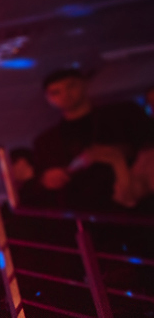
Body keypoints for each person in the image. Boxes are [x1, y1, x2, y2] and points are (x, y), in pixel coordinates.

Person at [14, 66, 154, 210]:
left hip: (133, 203)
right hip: (81, 210)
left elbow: (149, 143)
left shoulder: (123, 114)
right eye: (56, 92)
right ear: (48, 99)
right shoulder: (46, 141)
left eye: (71, 86)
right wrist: (46, 180)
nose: (65, 95)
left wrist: (121, 152)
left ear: (84, 84)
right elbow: (40, 182)